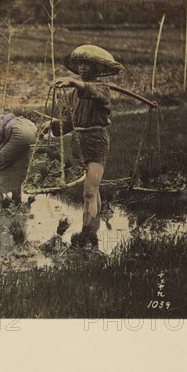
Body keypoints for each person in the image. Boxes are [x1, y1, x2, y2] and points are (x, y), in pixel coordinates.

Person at [42, 44, 123, 244]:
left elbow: (92, 92)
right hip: (79, 144)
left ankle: (86, 236)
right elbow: (69, 124)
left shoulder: (104, 90)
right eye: (80, 64)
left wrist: (72, 81)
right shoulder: (72, 95)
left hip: (96, 142)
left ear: (97, 68)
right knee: (92, 190)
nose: (83, 68)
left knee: (88, 191)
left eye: (88, 64)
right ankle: (95, 227)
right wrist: (51, 125)